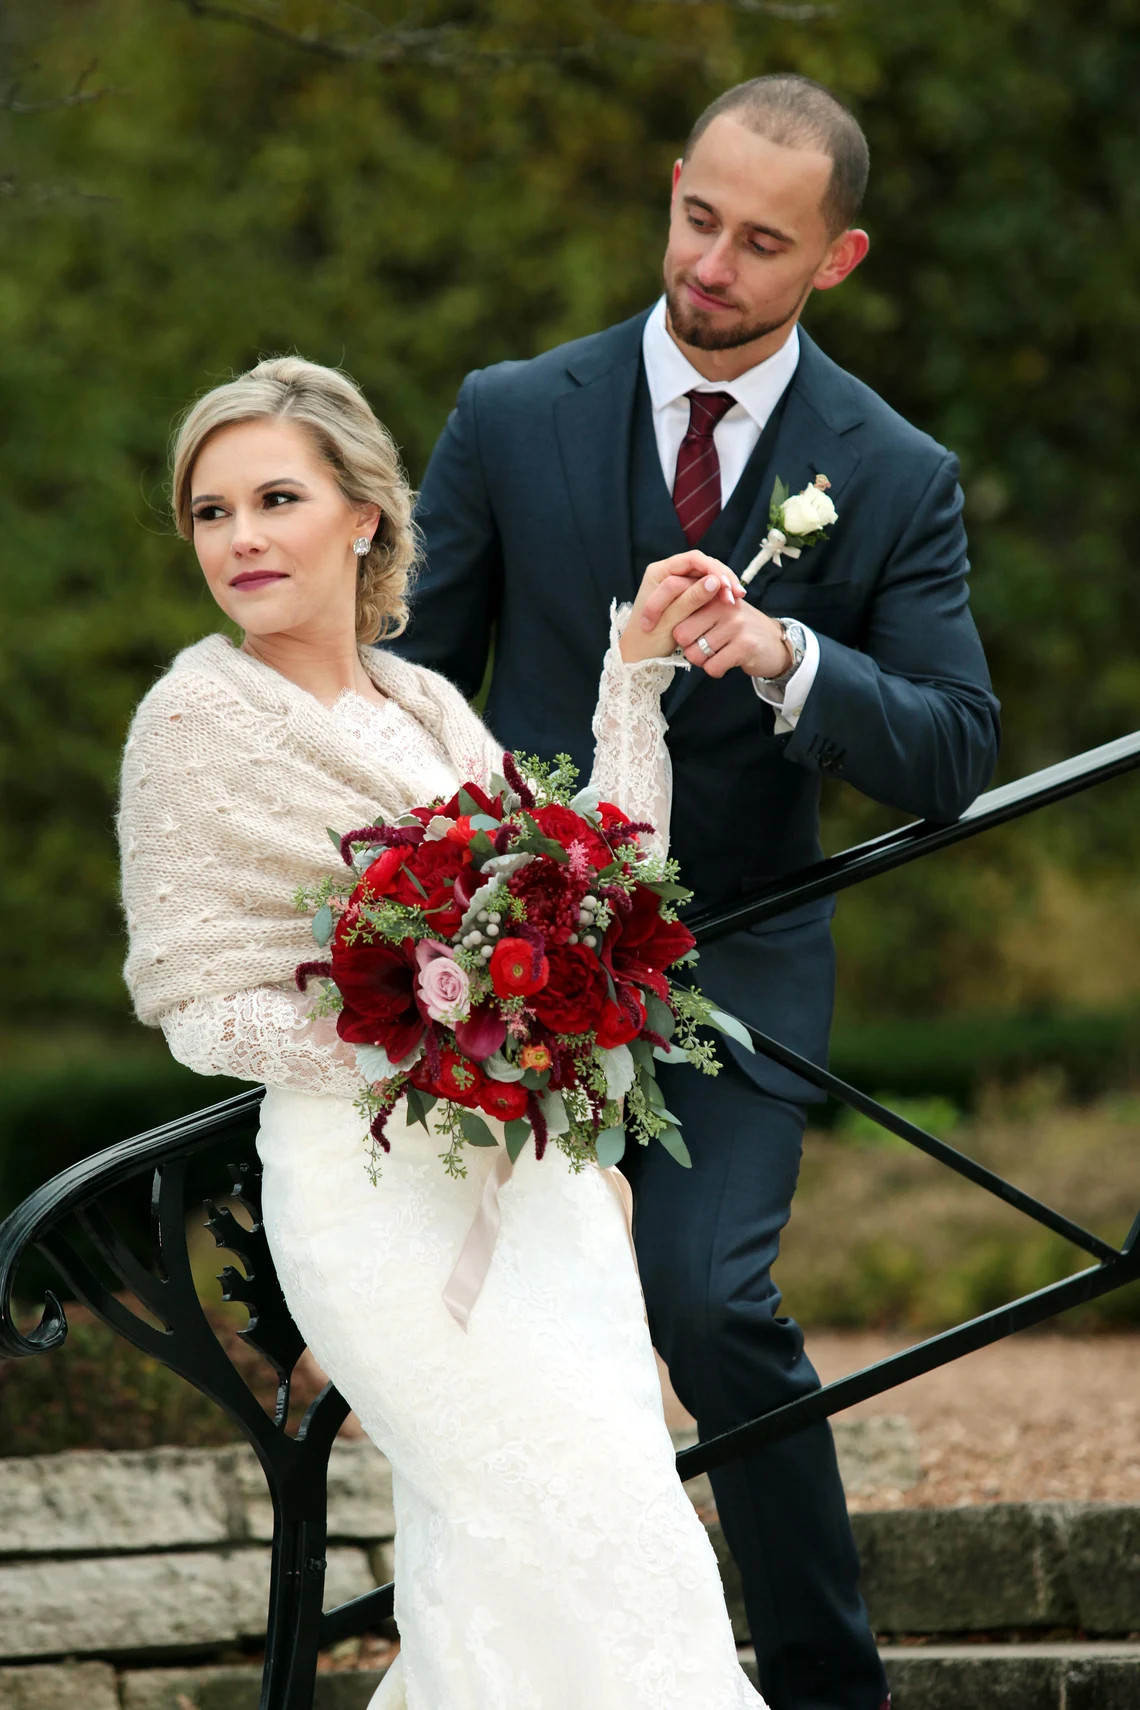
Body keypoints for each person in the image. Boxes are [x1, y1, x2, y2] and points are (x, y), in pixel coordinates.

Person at [396, 74, 1001, 1710]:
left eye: (763, 242)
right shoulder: (512, 411)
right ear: (673, 188)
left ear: (839, 258)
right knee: (500, 1330)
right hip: (521, 953)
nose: (713, 263)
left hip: (738, 943)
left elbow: (953, 744)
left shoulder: (889, 469)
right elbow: (410, 694)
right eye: (697, 217)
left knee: (711, 1298)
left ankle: (824, 1685)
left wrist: (795, 655)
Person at [117, 354, 769, 1707]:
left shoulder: (422, 706)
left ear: (362, 514)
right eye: (210, 510)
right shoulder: (192, 718)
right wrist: (423, 1041)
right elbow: (198, 1007)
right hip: (377, 1216)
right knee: (550, 1526)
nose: (238, 537)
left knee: (577, 1545)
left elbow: (598, 894)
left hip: (539, 1204)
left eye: (274, 497)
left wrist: (632, 683)